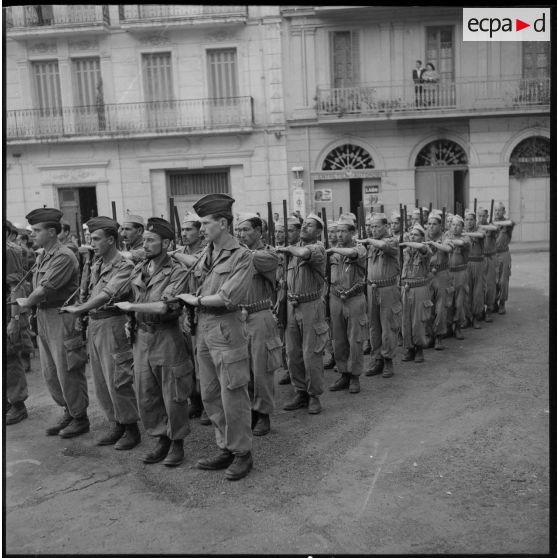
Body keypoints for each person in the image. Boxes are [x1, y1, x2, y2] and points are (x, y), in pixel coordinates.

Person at [177, 194, 255, 481]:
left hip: (226, 328)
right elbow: (194, 282)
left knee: (232, 394)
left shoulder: (242, 256)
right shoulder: (205, 254)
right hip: (204, 330)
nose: (202, 229)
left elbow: (228, 296)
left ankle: (242, 452)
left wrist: (193, 302)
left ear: (223, 223)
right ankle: (224, 447)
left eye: (206, 223)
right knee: (210, 394)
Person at [115, 218, 193, 467]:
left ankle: (177, 442)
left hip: (167, 335)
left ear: (167, 243)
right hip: (142, 336)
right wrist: (131, 318)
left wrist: (132, 307)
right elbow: (134, 294)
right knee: (146, 392)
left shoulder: (178, 270)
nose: (145, 244)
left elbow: (166, 304)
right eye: (145, 239)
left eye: (151, 240)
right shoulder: (141, 269)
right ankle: (160, 438)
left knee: (173, 393)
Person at [60, 217, 141, 450]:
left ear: (111, 240)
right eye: (90, 238)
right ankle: (116, 423)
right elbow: (86, 292)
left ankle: (131, 428)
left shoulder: (124, 265)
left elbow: (108, 293)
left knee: (118, 377)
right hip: (95, 324)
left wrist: (80, 309)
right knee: (100, 379)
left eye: (96, 239)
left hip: (113, 323)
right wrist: (82, 314)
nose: (92, 243)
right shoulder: (95, 263)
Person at [16, 208, 89, 438]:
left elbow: (43, 289)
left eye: (37, 230)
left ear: (51, 231)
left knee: (68, 368)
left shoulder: (64, 255)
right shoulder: (43, 255)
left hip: (61, 316)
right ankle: (69, 410)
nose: (32, 234)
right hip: (45, 317)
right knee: (50, 372)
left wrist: (25, 303)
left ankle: (80, 417)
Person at [276, 213, 328, 414]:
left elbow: (305, 253)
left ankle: (314, 395)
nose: (305, 228)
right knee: (292, 353)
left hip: (311, 306)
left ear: (318, 231)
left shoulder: (317, 248)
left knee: (311, 353)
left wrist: (289, 248)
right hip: (291, 304)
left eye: (310, 225)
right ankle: (300, 391)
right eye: (304, 225)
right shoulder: (291, 251)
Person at [236, 213, 282, 436]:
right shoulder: (237, 253)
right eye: (239, 230)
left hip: (259, 314)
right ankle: (250, 411)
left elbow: (249, 259)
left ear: (259, 231)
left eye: (246, 230)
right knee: (242, 368)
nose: (241, 234)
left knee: (261, 369)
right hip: (238, 317)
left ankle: (263, 413)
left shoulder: (268, 255)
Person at [171, 212, 208, 424]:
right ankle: (194, 400)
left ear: (199, 233)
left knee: (203, 361)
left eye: (188, 230)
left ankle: (207, 403)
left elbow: (197, 264)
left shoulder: (206, 250)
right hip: (183, 311)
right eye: (182, 230)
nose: (184, 234)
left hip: (202, 308)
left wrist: (173, 254)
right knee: (186, 362)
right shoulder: (180, 250)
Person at [326, 215, 368, 393]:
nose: (339, 234)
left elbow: (353, 254)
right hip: (335, 298)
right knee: (339, 339)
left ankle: (355, 376)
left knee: (355, 339)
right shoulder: (333, 252)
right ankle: (343, 373)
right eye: (337, 231)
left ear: (353, 233)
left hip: (354, 299)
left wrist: (332, 249)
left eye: (344, 231)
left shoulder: (360, 248)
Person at [358, 213, 400, 378]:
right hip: (371, 288)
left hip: (388, 289)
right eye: (371, 226)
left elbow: (385, 246)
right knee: (374, 326)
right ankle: (377, 359)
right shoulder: (371, 243)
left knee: (388, 326)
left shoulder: (391, 241)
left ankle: (388, 360)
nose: (373, 229)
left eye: (376, 226)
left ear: (386, 226)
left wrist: (368, 241)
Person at [5, 223, 29, 425]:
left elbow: (16, 286)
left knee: (10, 355)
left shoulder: (9, 251)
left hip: (7, 308)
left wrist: (14, 319)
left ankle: (18, 404)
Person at [399, 224, 432, 363]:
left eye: (416, 235)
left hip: (419, 289)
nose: (412, 237)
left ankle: (419, 348)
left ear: (422, 238)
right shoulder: (405, 251)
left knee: (418, 321)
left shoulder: (426, 250)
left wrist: (409, 242)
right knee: (405, 320)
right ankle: (409, 348)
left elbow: (424, 249)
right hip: (406, 288)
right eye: (411, 234)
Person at [276, 217, 302, 386]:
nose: (280, 235)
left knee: (301, 345)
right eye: (277, 231)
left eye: (285, 231)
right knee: (283, 337)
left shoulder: (301, 249)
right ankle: (289, 369)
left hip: (297, 297)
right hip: (280, 295)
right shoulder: (276, 250)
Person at [425, 211, 453, 350]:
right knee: (428, 307)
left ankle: (439, 337)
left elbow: (448, 248)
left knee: (441, 307)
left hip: (442, 274)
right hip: (427, 275)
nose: (431, 227)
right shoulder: (423, 237)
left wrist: (434, 244)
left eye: (434, 224)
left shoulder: (445, 237)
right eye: (429, 224)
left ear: (440, 226)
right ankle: (430, 335)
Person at [445, 215, 471, 340]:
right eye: (453, 225)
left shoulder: (465, 238)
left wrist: (448, 242)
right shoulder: (446, 236)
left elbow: (461, 243)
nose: (455, 227)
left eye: (458, 225)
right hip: (448, 273)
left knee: (460, 301)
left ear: (462, 227)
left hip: (461, 273)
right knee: (448, 301)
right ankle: (449, 326)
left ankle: (458, 326)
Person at [463, 209, 486, 329]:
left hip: (478, 263)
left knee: (477, 291)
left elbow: (481, 235)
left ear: (475, 221)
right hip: (466, 264)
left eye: (471, 219)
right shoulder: (461, 231)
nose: (469, 222)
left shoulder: (479, 229)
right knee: (467, 291)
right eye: (466, 220)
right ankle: (468, 317)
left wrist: (467, 235)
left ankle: (476, 317)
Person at [477, 207, 499, 322]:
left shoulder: (492, 227)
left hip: (490, 258)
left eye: (483, 216)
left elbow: (495, 228)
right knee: (480, 286)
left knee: (490, 285)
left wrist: (485, 228)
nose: (481, 218)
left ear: (487, 216)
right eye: (479, 216)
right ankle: (480, 310)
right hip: (480, 259)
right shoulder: (476, 227)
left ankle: (489, 309)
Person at [493, 203, 514, 315]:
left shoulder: (507, 224)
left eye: (499, 210)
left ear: (504, 211)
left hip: (504, 254)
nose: (497, 212)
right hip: (493, 255)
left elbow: (512, 222)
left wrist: (498, 224)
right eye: (495, 210)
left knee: (503, 281)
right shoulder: (491, 224)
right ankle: (494, 303)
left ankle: (502, 303)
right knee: (493, 280)